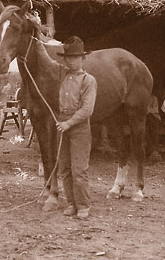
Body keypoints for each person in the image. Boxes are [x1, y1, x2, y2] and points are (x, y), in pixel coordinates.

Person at [55, 36, 97, 219]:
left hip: (78, 128)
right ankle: (71, 203)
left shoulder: (89, 81)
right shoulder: (62, 75)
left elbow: (87, 109)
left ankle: (83, 205)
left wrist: (68, 123)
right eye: (68, 58)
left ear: (83, 59)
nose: (71, 61)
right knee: (65, 168)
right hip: (62, 126)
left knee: (79, 169)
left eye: (75, 57)